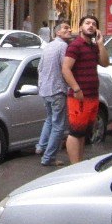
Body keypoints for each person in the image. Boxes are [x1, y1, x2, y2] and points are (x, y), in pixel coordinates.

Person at [61, 15, 109, 164]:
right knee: (75, 132)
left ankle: (79, 163)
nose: (90, 26)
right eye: (87, 23)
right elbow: (66, 69)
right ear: (80, 27)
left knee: (83, 133)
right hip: (78, 97)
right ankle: (74, 166)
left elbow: (105, 63)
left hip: (92, 96)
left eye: (94, 24)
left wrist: (101, 44)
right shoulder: (75, 45)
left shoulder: (94, 47)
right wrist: (76, 89)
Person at [35, 21, 72, 167]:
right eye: (65, 28)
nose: (69, 30)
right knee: (58, 125)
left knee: (50, 119)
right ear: (57, 32)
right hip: (57, 90)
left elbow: (39, 68)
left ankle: (41, 146)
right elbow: (66, 68)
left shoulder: (48, 46)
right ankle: (48, 157)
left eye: (69, 28)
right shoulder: (63, 46)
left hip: (45, 90)